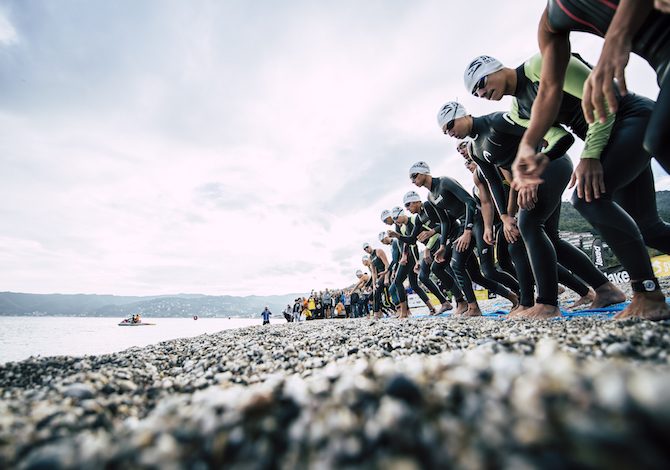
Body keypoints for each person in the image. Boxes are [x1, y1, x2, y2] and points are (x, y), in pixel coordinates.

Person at [470, 48, 669, 320]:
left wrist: (590, 156)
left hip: (629, 118)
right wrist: (536, 166)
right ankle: (627, 292)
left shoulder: (541, 65)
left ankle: (647, 293)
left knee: (587, 198)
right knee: (649, 227)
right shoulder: (518, 111)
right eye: (475, 93)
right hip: (608, 140)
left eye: (481, 83)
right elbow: (561, 140)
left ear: (496, 67)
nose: (481, 94)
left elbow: (604, 98)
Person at [438, 99, 624, 319]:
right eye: (445, 131)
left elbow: (538, 137)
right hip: (527, 180)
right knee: (549, 238)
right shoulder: (475, 148)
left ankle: (545, 303)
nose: (450, 132)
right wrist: (505, 216)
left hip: (551, 164)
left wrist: (531, 176)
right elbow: (494, 183)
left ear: (463, 114)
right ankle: (605, 289)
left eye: (450, 125)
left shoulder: (496, 121)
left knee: (528, 226)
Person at [409, 160, 520, 316]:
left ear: (425, 172)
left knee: (489, 271)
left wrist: (467, 230)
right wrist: (441, 245)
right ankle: (474, 307)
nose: (413, 181)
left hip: (478, 221)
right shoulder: (430, 196)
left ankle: (521, 294)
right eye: (411, 178)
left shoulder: (444, 182)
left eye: (414, 176)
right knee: (460, 267)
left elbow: (470, 202)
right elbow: (445, 221)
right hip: (463, 227)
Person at [388, 191, 464, 315]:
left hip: (439, 244)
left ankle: (461, 300)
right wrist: (397, 236)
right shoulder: (410, 223)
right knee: (424, 276)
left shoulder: (416, 217)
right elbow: (412, 241)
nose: (407, 209)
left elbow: (436, 230)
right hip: (431, 249)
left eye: (408, 205)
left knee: (450, 270)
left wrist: (428, 248)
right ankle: (447, 302)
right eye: (405, 206)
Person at [390, 206, 447, 318]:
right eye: (394, 219)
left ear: (402, 213)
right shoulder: (402, 228)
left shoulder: (414, 220)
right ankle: (436, 306)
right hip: (423, 252)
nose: (396, 221)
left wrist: (418, 257)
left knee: (398, 282)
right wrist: (407, 255)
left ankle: (404, 312)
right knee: (418, 282)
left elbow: (433, 231)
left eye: (396, 218)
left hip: (437, 245)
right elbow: (409, 243)